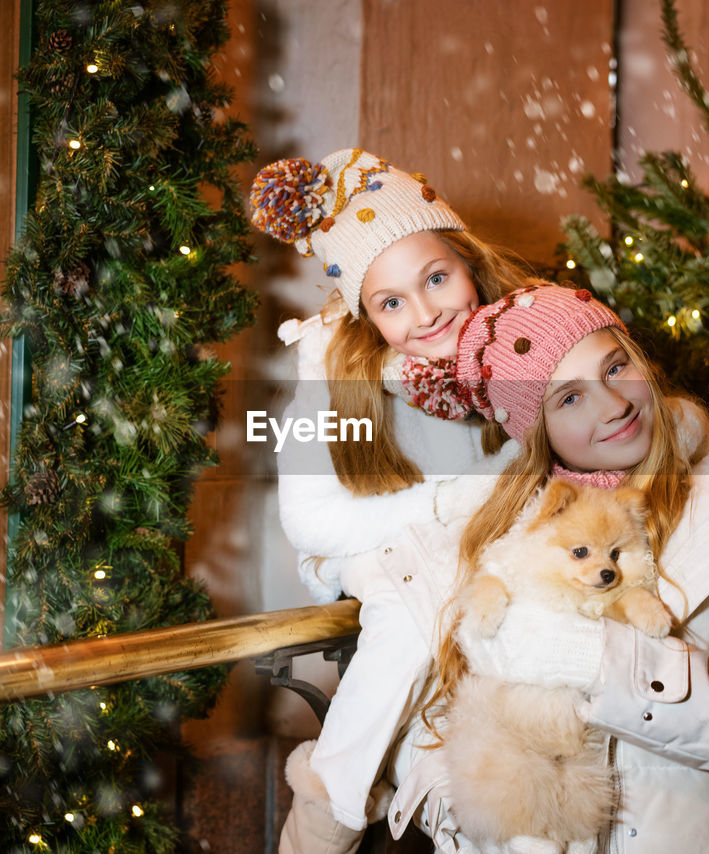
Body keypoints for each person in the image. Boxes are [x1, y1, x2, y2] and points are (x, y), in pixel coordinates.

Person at [384, 284, 709, 853]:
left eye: (615, 366)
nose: (614, 405)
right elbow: (429, 726)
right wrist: (481, 831)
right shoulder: (507, 528)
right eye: (569, 399)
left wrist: (595, 659)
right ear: (538, 432)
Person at [249, 148, 531, 853]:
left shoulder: (523, 343)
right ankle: (324, 817)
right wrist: (452, 506)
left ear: (469, 263)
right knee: (410, 626)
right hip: (370, 546)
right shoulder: (335, 379)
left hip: (494, 556)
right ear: (364, 316)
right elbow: (311, 519)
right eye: (392, 302)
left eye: (438, 277)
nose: (428, 312)